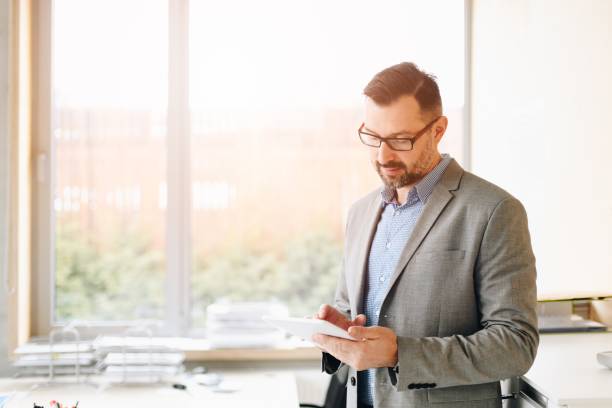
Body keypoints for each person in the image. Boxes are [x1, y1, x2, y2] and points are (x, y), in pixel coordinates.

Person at [312, 62, 538, 408]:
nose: (383, 155)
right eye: (373, 137)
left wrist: (402, 353)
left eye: (401, 140)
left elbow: (515, 345)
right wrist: (341, 333)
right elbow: (353, 310)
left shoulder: (494, 211)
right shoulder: (360, 213)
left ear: (438, 130)